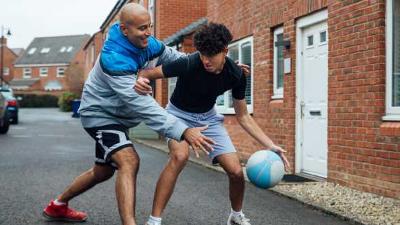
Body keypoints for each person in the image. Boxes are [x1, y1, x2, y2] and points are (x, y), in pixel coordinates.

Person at [42, 3, 215, 225]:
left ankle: (57, 206)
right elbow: (144, 106)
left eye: (150, 26)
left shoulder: (147, 42)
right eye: (142, 28)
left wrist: (215, 62)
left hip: (119, 118)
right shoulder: (114, 59)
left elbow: (177, 59)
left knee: (102, 171)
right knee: (129, 160)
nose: (148, 32)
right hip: (100, 115)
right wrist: (184, 131)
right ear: (125, 29)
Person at [134, 23, 291, 225]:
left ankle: (236, 216)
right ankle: (154, 221)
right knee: (179, 156)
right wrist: (140, 81)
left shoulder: (236, 75)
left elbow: (243, 116)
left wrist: (269, 144)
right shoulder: (189, 63)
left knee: (235, 172)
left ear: (225, 51)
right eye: (202, 54)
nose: (206, 60)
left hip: (208, 119)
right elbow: (146, 74)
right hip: (178, 115)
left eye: (211, 55)